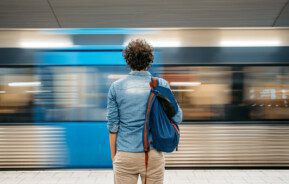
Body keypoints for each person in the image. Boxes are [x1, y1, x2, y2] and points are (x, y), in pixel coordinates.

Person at [106, 39, 183, 184]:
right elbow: (178, 117)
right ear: (149, 60)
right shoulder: (160, 84)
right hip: (153, 155)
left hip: (125, 155)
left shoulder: (115, 87)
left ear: (128, 60)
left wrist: (114, 157)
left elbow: (112, 127)